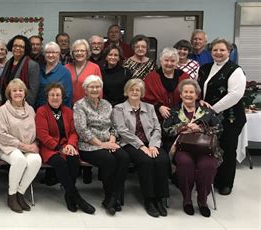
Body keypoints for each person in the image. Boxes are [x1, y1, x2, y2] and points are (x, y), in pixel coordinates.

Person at [162, 79, 223, 217]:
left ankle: (202, 200)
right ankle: (187, 199)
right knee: (185, 163)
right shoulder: (173, 111)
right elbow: (165, 130)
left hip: (204, 148)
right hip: (183, 148)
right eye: (186, 92)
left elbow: (219, 129)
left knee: (208, 165)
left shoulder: (207, 111)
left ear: (197, 95)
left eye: (192, 92)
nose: (189, 95)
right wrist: (183, 127)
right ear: (181, 94)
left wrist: (201, 128)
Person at [112, 78, 170, 218]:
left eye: (137, 90)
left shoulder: (149, 108)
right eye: (132, 89)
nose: (134, 92)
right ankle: (149, 200)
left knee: (162, 160)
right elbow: (122, 130)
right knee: (146, 162)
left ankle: (160, 199)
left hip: (151, 143)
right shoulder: (119, 108)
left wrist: (153, 145)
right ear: (126, 91)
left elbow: (157, 128)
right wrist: (141, 146)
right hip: (130, 144)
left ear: (142, 92)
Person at [73, 75, 129, 216]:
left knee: (124, 157)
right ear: (85, 89)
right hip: (88, 145)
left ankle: (113, 197)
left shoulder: (106, 104)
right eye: (91, 86)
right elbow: (82, 130)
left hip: (108, 142)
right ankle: (110, 196)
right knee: (109, 160)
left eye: (97, 86)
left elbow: (114, 126)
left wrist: (111, 141)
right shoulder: (79, 105)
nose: (95, 89)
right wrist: (102, 144)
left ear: (101, 89)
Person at [35, 83, 95, 214]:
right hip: (49, 147)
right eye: (52, 95)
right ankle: (77, 198)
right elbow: (42, 134)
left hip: (67, 145)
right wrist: (59, 147)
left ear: (62, 97)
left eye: (58, 95)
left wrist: (70, 145)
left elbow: (74, 132)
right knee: (59, 162)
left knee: (74, 160)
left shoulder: (68, 111)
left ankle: (69, 195)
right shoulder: (42, 111)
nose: (55, 97)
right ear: (47, 97)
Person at [198, 38, 247, 196]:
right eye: (215, 50)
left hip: (230, 117)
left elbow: (235, 95)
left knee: (227, 148)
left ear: (229, 52)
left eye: (222, 50)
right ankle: (213, 178)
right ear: (210, 52)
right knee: (211, 147)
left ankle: (226, 183)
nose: (218, 53)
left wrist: (212, 109)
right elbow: (200, 88)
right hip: (210, 117)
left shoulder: (235, 70)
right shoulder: (204, 68)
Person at [0, 79, 42, 213]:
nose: (17, 93)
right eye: (14, 90)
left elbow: (36, 131)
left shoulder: (30, 109)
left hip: (27, 146)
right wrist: (22, 146)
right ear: (9, 93)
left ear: (25, 93)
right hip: (6, 146)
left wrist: (34, 144)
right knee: (19, 160)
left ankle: (20, 193)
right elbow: (1, 134)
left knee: (36, 160)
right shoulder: (3, 109)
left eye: (20, 90)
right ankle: (11, 195)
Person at [143, 47, 189, 123]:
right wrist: (159, 107)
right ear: (161, 61)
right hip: (156, 118)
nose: (169, 63)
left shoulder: (184, 77)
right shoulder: (151, 77)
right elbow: (145, 98)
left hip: (181, 118)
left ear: (177, 62)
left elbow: (191, 94)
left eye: (173, 61)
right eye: (166, 60)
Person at [0, 35, 40, 107]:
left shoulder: (32, 65)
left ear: (26, 49)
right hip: (7, 105)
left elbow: (33, 91)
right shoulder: (8, 63)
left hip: (22, 107)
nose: (17, 48)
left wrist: (22, 106)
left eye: (21, 46)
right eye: (15, 45)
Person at [36, 41, 72, 108]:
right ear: (44, 54)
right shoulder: (39, 69)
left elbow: (67, 95)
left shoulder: (64, 72)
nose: (50, 55)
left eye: (53, 52)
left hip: (57, 110)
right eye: (48, 52)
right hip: (39, 110)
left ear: (58, 54)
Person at [65, 39, 102, 105]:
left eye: (82, 51)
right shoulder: (65, 68)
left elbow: (99, 90)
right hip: (68, 106)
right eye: (76, 51)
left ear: (87, 52)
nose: (79, 53)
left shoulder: (95, 68)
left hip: (88, 107)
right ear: (72, 53)